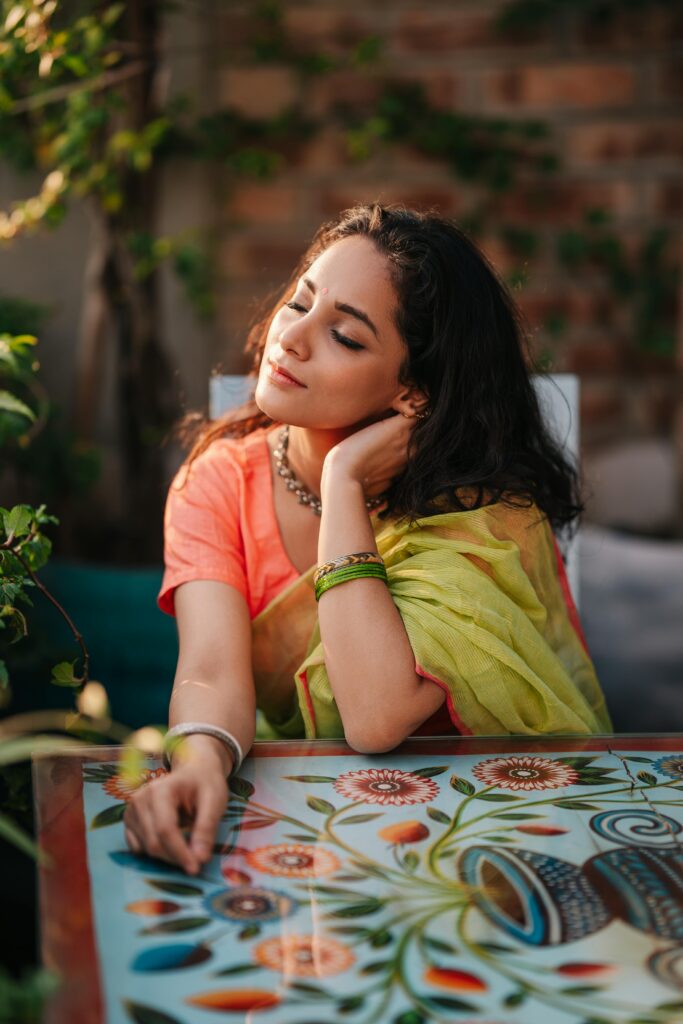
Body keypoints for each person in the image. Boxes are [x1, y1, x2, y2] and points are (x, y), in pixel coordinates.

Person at [123, 203, 611, 873]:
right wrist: (201, 761)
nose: (290, 339)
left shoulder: (479, 512)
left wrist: (345, 481)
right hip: (318, 829)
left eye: (345, 337)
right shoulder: (219, 482)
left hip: (497, 826)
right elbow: (210, 674)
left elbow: (377, 716)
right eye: (299, 303)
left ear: (413, 393)